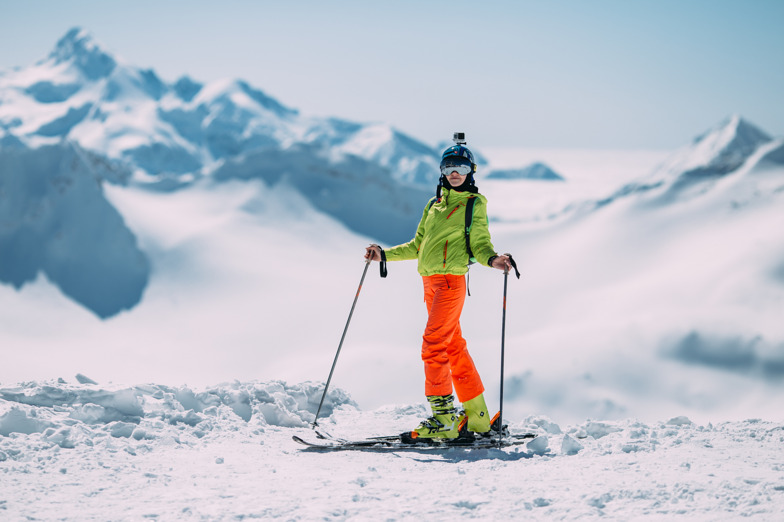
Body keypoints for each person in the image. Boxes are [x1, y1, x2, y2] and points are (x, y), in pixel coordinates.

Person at [365, 136, 513, 441]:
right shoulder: (433, 205)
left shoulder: (474, 204)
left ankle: (443, 418)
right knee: (453, 347)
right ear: (442, 171)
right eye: (448, 166)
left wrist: (493, 259)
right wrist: (385, 255)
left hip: (450, 283)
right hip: (430, 284)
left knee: (433, 345)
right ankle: (478, 417)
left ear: (471, 170)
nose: (454, 172)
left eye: (460, 166)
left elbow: (480, 242)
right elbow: (418, 245)